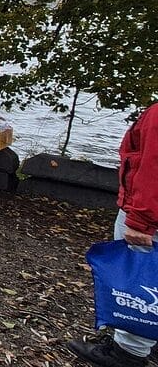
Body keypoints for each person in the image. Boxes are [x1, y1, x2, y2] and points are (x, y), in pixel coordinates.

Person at [66, 102, 158, 367]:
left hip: (149, 216)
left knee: (139, 281)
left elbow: (152, 166)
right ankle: (149, 339)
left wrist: (140, 219)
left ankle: (128, 353)